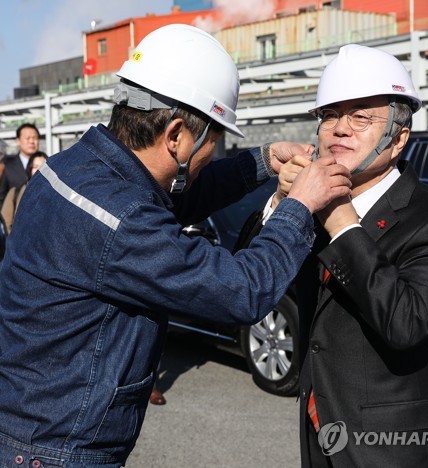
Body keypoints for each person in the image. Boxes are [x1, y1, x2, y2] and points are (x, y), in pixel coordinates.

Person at [0, 24, 352, 467]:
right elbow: (241, 290)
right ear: (175, 135)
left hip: (30, 428)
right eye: (215, 142)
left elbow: (175, 197)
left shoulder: (76, 169)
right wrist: (300, 204)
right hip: (57, 450)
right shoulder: (119, 220)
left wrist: (262, 162)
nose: (212, 155)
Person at [262, 44, 428, 467]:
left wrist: (341, 223)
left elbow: (406, 324)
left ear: (398, 138)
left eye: (361, 116)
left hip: (398, 449)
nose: (340, 128)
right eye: (330, 114)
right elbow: (251, 284)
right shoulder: (307, 201)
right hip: (322, 433)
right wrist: (279, 204)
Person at [1, 151, 48, 233]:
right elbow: (6, 223)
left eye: (43, 166)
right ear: (29, 169)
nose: (39, 170)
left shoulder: (55, 194)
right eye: (35, 166)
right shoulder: (15, 192)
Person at [0, 123, 40, 207]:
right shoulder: (6, 165)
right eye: (27, 138)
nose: (32, 141)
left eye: (35, 138)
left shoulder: (46, 164)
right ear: (18, 141)